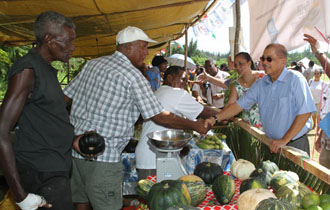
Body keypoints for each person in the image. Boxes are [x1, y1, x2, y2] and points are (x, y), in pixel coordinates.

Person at [64, 26, 211, 210]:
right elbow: (159, 116)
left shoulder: (93, 64)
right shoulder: (133, 76)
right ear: (127, 47)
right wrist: (194, 125)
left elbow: (65, 97)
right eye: (142, 47)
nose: (146, 53)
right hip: (103, 155)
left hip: (75, 149)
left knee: (81, 202)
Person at [0, 11, 76, 210]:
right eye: (68, 41)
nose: (73, 47)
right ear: (49, 39)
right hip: (41, 172)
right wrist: (20, 196)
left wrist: (73, 138)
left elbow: (44, 117)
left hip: (54, 167)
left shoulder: (45, 69)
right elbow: (1, 131)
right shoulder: (27, 70)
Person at [205, 43, 316, 155]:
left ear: (283, 61)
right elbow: (238, 105)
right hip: (272, 144)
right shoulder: (261, 83)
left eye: (269, 59)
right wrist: (215, 118)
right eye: (263, 58)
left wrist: (284, 140)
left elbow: (305, 112)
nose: (264, 62)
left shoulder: (295, 79)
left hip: (294, 144)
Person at [135, 66, 218, 179]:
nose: (186, 83)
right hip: (153, 159)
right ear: (169, 78)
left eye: (187, 80)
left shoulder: (160, 91)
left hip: (151, 156)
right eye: (183, 79)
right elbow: (204, 112)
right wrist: (225, 115)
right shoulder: (176, 93)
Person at [202, 52, 264, 129]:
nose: (238, 67)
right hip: (249, 129)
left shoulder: (263, 77)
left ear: (249, 63)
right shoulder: (236, 85)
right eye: (236, 65)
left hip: (268, 128)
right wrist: (219, 118)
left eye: (240, 64)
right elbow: (230, 106)